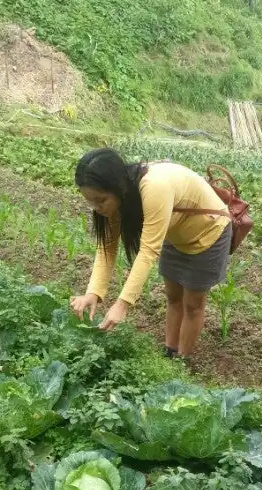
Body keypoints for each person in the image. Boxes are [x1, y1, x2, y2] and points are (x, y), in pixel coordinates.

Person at [70, 148, 232, 358]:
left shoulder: (154, 187)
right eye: (90, 201)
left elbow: (148, 251)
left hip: (208, 233)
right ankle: (169, 352)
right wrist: (93, 293)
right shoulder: (117, 200)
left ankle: (182, 361)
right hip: (174, 233)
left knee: (192, 304)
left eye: (100, 200)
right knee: (173, 297)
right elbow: (107, 249)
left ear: (118, 188)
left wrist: (122, 305)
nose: (96, 207)